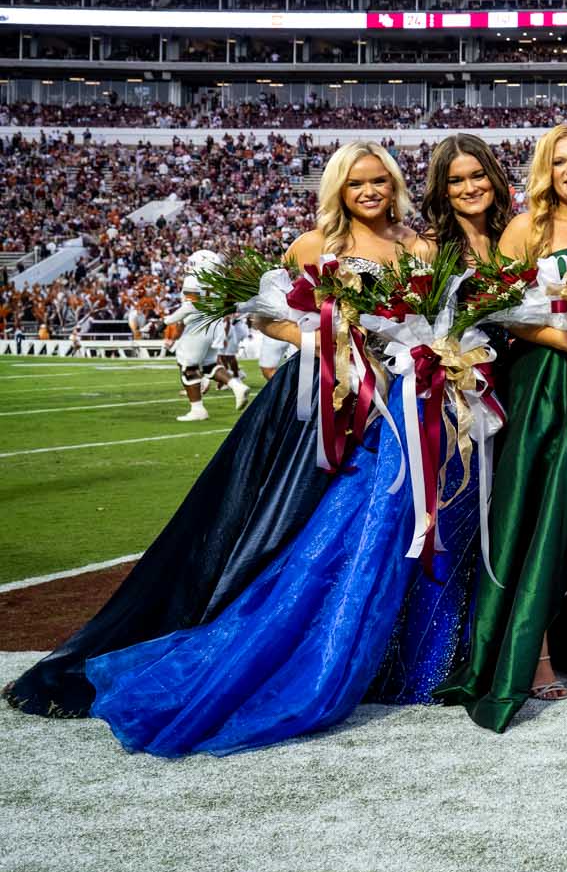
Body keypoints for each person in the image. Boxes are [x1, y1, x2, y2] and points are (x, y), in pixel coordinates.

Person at [4, 142, 416, 722]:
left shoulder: (417, 247)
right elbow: (262, 312)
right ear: (338, 192)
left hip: (388, 401)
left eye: (379, 181)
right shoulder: (313, 245)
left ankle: (367, 648)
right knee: (280, 519)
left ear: (394, 184)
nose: (370, 191)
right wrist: (323, 345)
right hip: (312, 403)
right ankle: (255, 635)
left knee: (369, 525)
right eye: (356, 184)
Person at [438, 125, 567, 731]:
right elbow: (500, 311)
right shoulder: (525, 229)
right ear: (546, 172)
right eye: (559, 162)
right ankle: (532, 650)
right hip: (541, 387)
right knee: (539, 511)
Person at [369, 133, 517, 707]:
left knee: (507, 520)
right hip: (460, 404)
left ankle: (501, 645)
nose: (468, 188)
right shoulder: (429, 247)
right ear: (440, 188)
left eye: (477, 176)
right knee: (453, 522)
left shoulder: (518, 235)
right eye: (455, 180)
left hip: (520, 389)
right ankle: (433, 660)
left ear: (494, 178)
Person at [165, 257, 250, 422]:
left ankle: (197, 409)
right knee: (208, 365)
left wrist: (169, 320)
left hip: (197, 327)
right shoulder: (220, 281)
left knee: (188, 368)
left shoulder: (193, 279)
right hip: (213, 326)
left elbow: (190, 306)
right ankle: (237, 385)